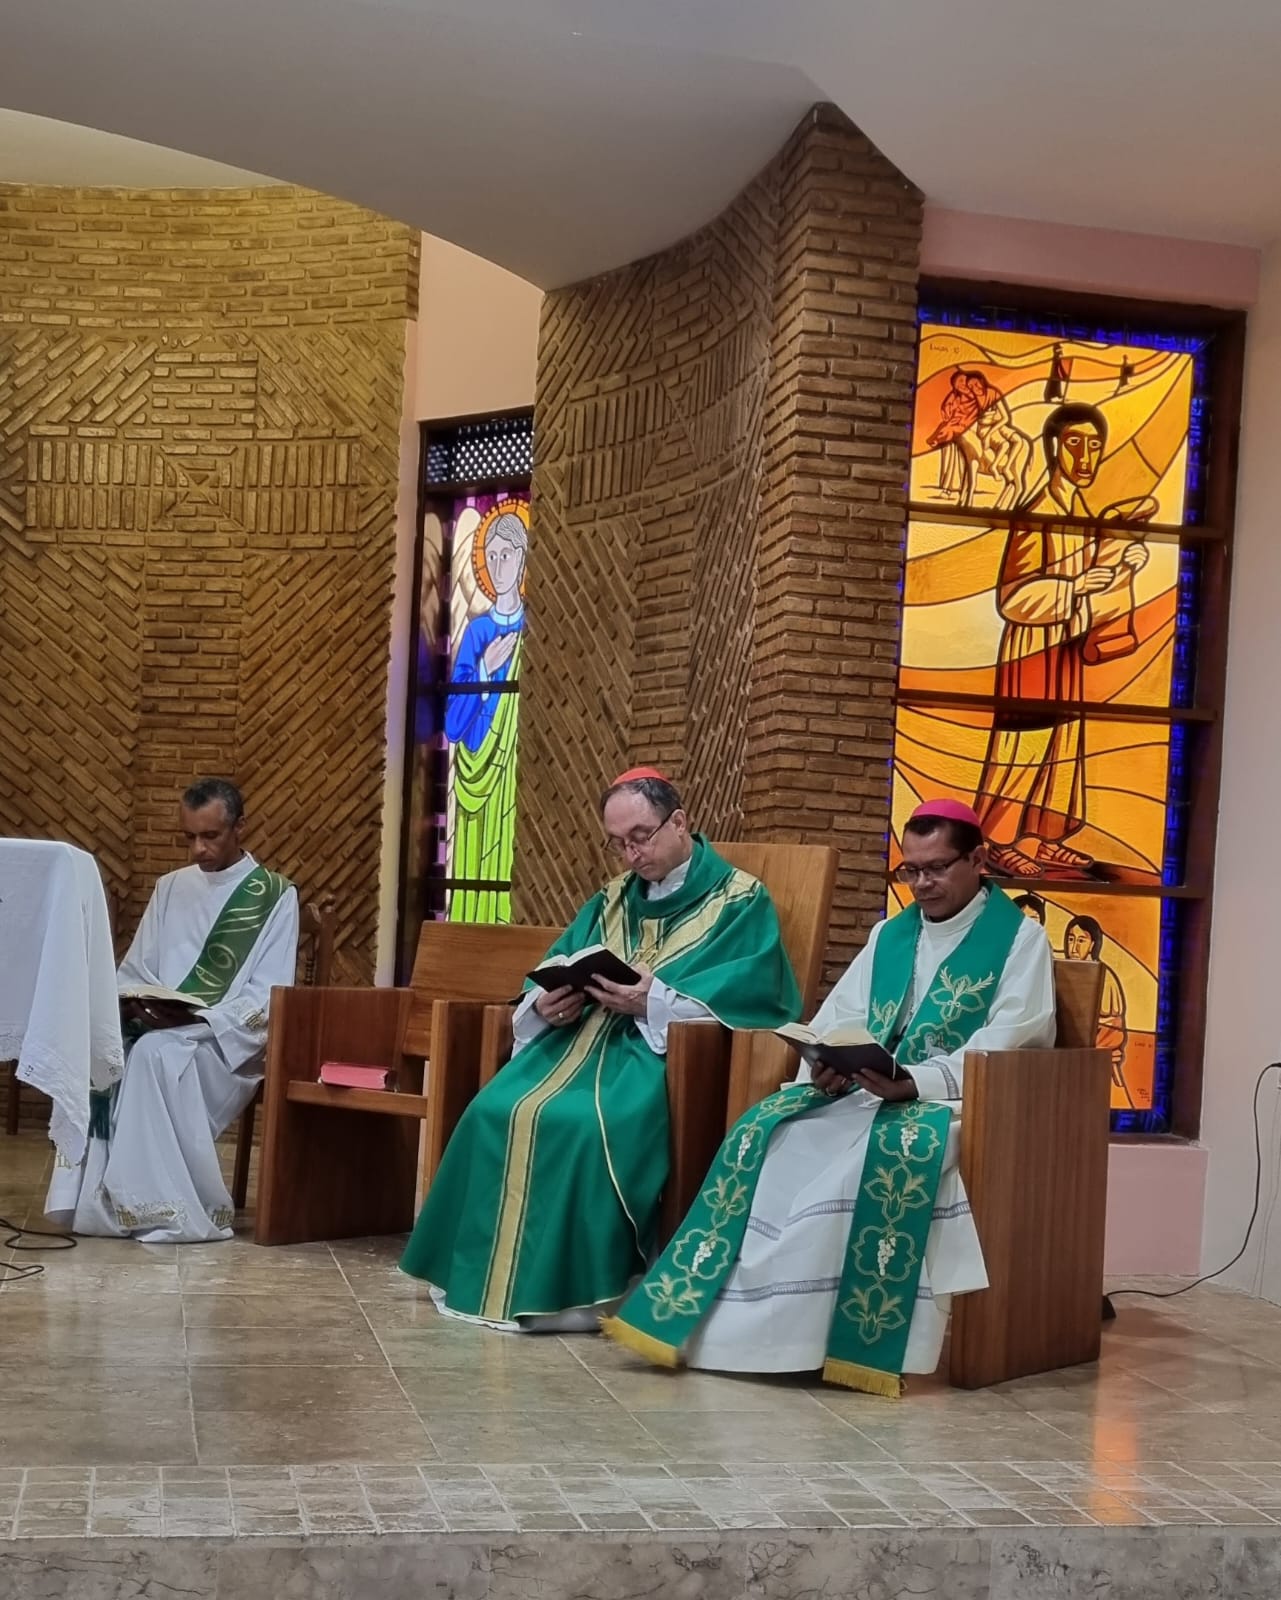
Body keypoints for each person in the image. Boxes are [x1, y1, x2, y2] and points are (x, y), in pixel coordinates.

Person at [603, 799, 1055, 1397]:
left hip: (955, 1100)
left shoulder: (1019, 941)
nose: (921, 884)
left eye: (937, 868)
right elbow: (841, 1015)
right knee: (769, 1137)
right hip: (870, 1090)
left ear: (978, 860)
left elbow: (1015, 1039)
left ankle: (823, 1339)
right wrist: (825, 1061)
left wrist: (916, 1082)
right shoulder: (891, 936)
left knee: (856, 1166)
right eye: (910, 870)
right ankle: (742, 1328)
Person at [400, 768, 802, 1331]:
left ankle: (582, 1295)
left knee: (583, 1125)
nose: (632, 855)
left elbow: (756, 994)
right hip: (575, 1040)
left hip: (659, 1057)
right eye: (618, 844)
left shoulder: (739, 900)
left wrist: (652, 1001)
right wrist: (543, 1006)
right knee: (491, 1110)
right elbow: (554, 965)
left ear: (679, 822)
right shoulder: (611, 900)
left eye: (641, 837)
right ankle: (482, 1275)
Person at [46, 778, 298, 1243]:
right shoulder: (170, 887)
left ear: (240, 827)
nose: (198, 849)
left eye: (211, 836)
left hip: (226, 1041)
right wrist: (133, 1003)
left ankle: (160, 1206)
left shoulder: (275, 896)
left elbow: (269, 994)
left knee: (151, 1056)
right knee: (105, 1050)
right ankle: (98, 1202)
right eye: (190, 837)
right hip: (160, 1026)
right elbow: (136, 968)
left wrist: (199, 1018)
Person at [974, 403, 1150, 878]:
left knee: (1061, 746)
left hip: (1066, 647)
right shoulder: (1038, 515)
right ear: (1053, 448)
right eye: (1075, 444)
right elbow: (1012, 598)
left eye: (1094, 446)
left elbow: (1099, 582)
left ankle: (1038, 837)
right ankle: (995, 840)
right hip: (1034, 649)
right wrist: (1073, 588)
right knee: (1024, 744)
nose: (1086, 457)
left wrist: (1123, 564)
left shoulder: (1082, 515)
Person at [445, 505, 528, 923]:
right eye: (490, 556)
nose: (498, 566)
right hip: (476, 768)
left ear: (522, 557)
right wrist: (483, 669)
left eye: (506, 555)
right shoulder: (477, 632)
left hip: (514, 773)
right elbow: (452, 725)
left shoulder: (531, 627)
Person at [1064, 913, 1130, 1098]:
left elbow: (1113, 1025)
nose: (1074, 947)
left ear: (1093, 944)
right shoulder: (1058, 969)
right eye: (1071, 939)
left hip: (1097, 1047)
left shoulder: (1104, 977)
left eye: (1081, 940)